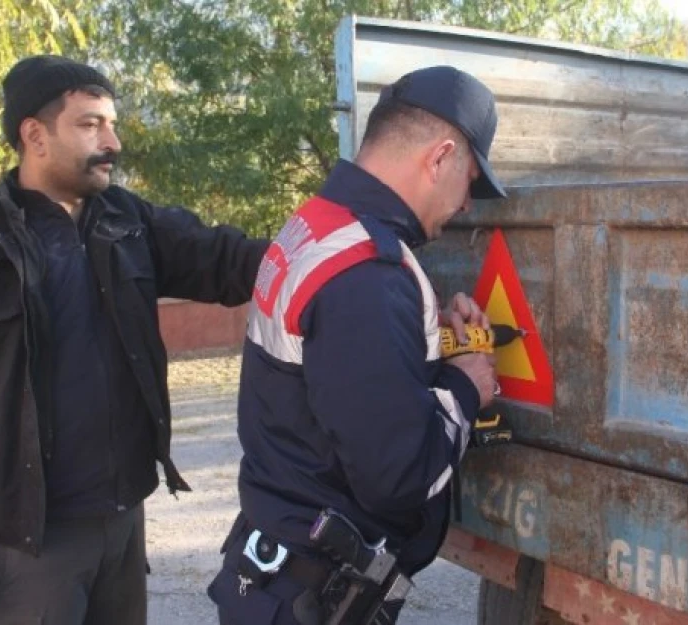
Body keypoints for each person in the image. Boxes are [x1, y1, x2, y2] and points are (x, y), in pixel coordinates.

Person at [0, 55, 268, 625]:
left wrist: (327, 252)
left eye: (111, 123)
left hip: (121, 521)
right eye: (91, 124)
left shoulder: (126, 220)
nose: (112, 141)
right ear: (33, 134)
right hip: (26, 545)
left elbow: (226, 260)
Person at [209, 65, 506, 624]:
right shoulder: (368, 273)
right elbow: (398, 479)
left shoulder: (318, 227)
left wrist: (423, 336)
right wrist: (467, 387)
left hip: (277, 575)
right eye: (470, 179)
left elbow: (330, 366)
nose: (468, 204)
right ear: (439, 157)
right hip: (310, 596)